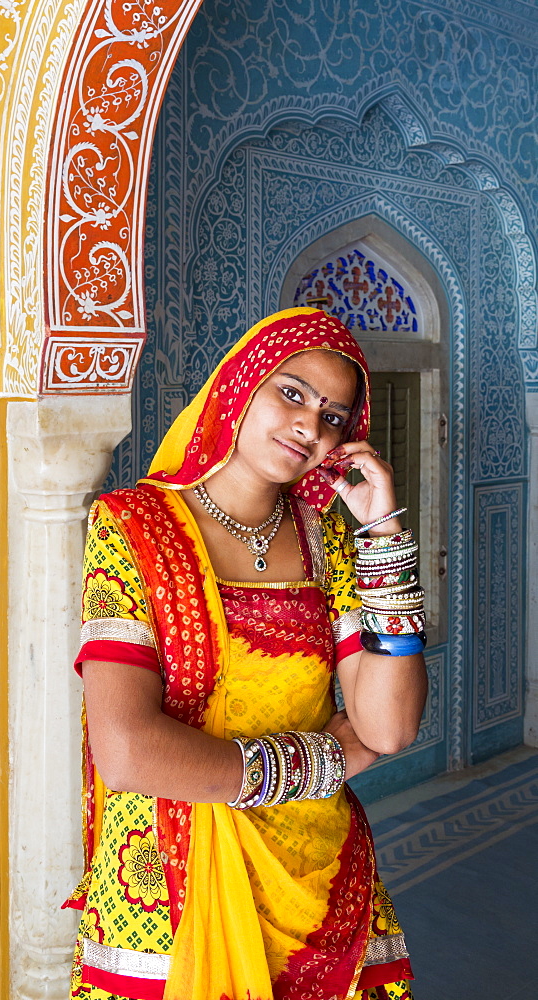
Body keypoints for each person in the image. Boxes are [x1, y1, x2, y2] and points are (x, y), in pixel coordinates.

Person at [63, 306, 428, 1000]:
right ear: (239, 383)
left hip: (320, 882)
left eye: (334, 418)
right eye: (291, 393)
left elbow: (389, 727)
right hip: (171, 879)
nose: (309, 427)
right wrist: (320, 759)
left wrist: (382, 530)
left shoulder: (330, 542)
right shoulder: (134, 528)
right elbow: (129, 751)